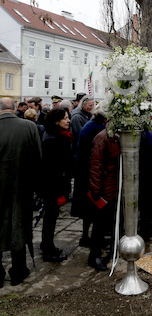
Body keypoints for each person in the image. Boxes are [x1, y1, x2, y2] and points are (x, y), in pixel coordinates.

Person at [0, 97, 42, 287]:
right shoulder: (29, 127)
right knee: (19, 227)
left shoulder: (28, 127)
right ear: (14, 107)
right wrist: (36, 188)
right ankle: (18, 271)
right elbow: (37, 160)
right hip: (21, 187)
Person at [40, 108, 74, 262]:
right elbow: (52, 168)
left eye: (68, 118)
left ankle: (47, 245)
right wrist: (59, 191)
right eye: (65, 118)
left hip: (56, 184)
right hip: (53, 186)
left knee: (51, 216)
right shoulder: (53, 139)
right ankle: (47, 249)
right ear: (56, 121)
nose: (68, 121)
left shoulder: (59, 135)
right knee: (50, 217)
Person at [71, 102, 107, 246]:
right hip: (89, 173)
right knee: (92, 207)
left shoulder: (91, 124)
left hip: (84, 171)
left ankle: (86, 236)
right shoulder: (97, 128)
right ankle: (90, 238)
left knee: (88, 208)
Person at [87, 127, 121, 271]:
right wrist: (96, 190)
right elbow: (96, 165)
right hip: (105, 188)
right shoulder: (102, 137)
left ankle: (115, 250)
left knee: (115, 221)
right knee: (99, 224)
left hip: (116, 185)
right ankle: (94, 256)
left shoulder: (119, 136)